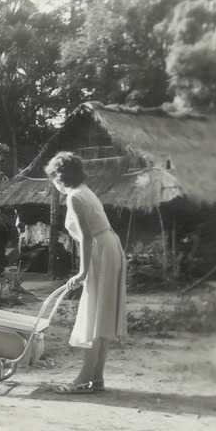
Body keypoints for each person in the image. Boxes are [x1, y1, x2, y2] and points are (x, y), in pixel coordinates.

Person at [44, 151, 126, 394]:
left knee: (93, 314)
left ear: (59, 179)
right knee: (101, 314)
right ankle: (96, 378)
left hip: (101, 250)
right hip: (110, 246)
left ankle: (83, 379)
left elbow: (86, 238)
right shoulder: (84, 191)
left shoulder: (75, 198)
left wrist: (82, 272)